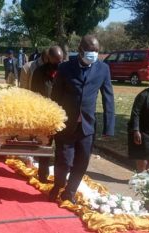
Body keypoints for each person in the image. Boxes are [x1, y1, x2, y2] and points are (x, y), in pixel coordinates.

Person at [49, 35, 115, 203]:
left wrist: (109, 128)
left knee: (82, 161)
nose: (93, 54)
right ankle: (58, 185)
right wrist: (52, 121)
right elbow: (55, 96)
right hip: (66, 123)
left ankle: (69, 192)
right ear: (80, 50)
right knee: (64, 160)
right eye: (90, 51)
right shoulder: (65, 68)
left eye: (96, 51)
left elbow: (108, 98)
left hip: (87, 126)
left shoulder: (103, 69)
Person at [30, 46, 64, 183]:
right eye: (56, 61)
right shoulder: (39, 72)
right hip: (45, 114)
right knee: (45, 146)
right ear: (48, 58)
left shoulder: (65, 71)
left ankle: (59, 177)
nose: (58, 63)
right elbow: (34, 94)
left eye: (60, 60)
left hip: (62, 115)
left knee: (62, 148)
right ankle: (43, 175)